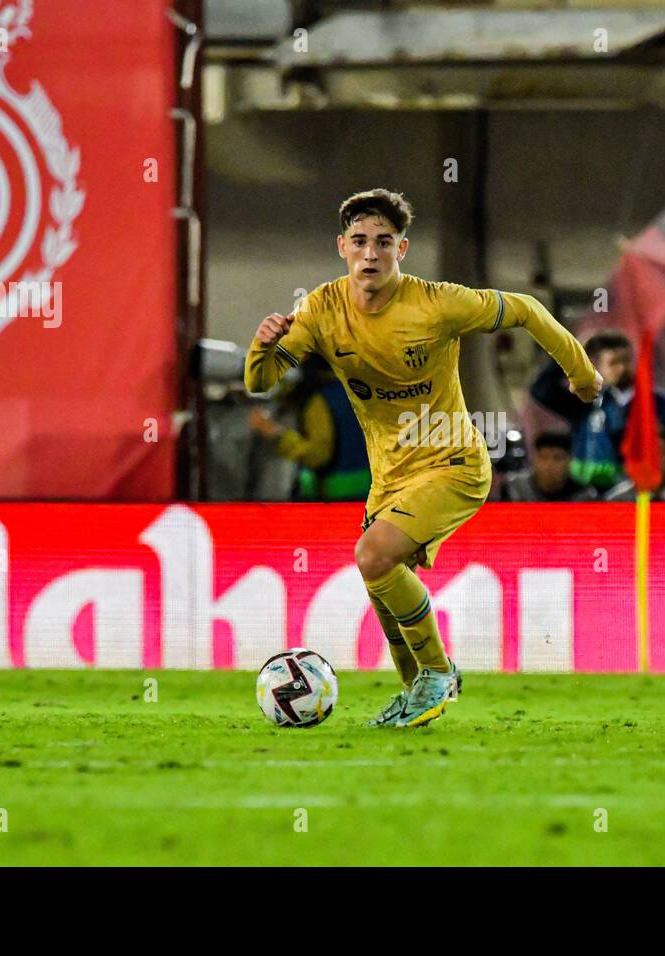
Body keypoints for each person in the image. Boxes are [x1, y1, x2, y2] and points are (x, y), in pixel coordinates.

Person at [244, 188, 601, 727]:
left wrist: (581, 372)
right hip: (390, 476)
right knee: (379, 579)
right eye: (360, 242)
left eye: (383, 243)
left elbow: (526, 309)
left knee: (374, 556)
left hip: (453, 464)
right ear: (342, 247)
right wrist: (262, 345)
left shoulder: (437, 303)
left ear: (401, 249)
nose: (371, 254)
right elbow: (260, 382)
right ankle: (417, 691)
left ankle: (436, 672)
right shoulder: (320, 309)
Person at [530, 330, 665, 492]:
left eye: (626, 360)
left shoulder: (661, 406)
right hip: (593, 498)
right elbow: (542, 390)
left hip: (642, 498)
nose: (622, 368)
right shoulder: (586, 403)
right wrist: (573, 351)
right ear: (598, 366)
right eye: (614, 362)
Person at [247, 356, 371, 502]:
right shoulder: (355, 392)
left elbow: (318, 454)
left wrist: (276, 435)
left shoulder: (320, 400)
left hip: (334, 499)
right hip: (365, 496)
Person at [499, 432, 598, 502]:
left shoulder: (584, 495)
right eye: (543, 457)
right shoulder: (516, 488)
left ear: (569, 461)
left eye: (557, 458)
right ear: (534, 459)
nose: (549, 464)